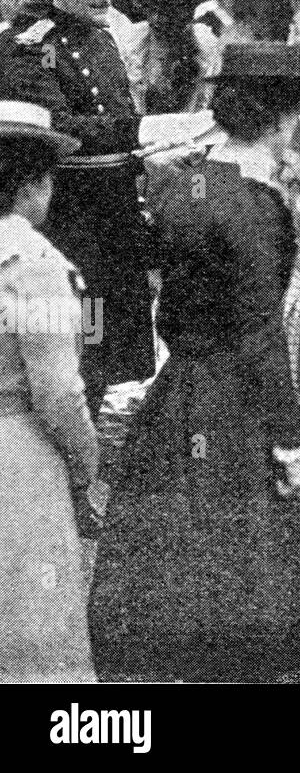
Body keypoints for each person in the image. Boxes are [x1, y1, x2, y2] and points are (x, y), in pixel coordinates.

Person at [88, 43, 300, 681]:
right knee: (235, 574)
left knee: (171, 562)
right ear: (283, 118)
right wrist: (291, 438)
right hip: (229, 399)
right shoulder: (253, 204)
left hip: (179, 387)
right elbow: (259, 335)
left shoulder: (187, 181)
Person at [0, 0, 154, 422]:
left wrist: (152, 148)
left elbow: (115, 122)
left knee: (107, 360)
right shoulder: (24, 44)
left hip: (113, 222)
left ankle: (83, 471)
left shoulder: (102, 41)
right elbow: (56, 128)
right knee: (71, 356)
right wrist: (143, 130)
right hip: (67, 224)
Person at [0, 100, 100, 681]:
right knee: (29, 619)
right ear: (33, 184)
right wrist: (85, 466)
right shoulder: (37, 264)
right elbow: (60, 392)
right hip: (19, 454)